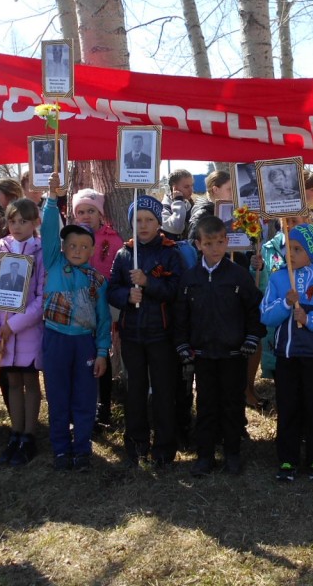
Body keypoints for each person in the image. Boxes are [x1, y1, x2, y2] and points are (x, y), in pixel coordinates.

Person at [174, 216, 264, 476]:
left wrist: (251, 337)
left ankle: (232, 453)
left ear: (227, 242)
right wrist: (182, 343)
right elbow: (181, 314)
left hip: (234, 353)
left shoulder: (238, 275)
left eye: (220, 242)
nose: (215, 248)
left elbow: (253, 309)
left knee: (232, 403)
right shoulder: (190, 278)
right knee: (206, 404)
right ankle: (205, 455)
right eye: (209, 243)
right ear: (198, 244)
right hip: (203, 353)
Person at [260, 223, 313, 481]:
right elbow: (266, 316)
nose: (291, 254)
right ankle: (287, 459)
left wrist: (309, 319)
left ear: (311, 252)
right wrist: (285, 303)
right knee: (288, 406)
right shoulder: (278, 278)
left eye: (298, 249)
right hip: (287, 355)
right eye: (288, 248)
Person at [108, 194, 184, 467]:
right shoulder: (124, 254)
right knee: (135, 390)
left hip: (161, 334)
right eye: (138, 220)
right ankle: (136, 442)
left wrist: (148, 283)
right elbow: (112, 289)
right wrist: (126, 296)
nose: (143, 225)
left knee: (163, 390)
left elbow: (176, 290)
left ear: (158, 223)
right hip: (132, 334)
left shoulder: (170, 253)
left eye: (149, 220)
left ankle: (164, 446)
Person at [0, 198, 45, 466]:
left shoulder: (41, 252)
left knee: (30, 382)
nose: (17, 226)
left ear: (35, 223)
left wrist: (14, 325)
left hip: (28, 334)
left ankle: (29, 436)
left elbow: (42, 299)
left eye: (23, 221)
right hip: (2, 335)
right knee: (12, 383)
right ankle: (15, 433)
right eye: (12, 221)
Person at [71, 187, 124, 429]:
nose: (86, 216)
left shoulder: (112, 239)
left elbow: (117, 272)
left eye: (91, 211)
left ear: (100, 214)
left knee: (102, 353)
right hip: (78, 309)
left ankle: (104, 405)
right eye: (81, 212)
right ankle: (84, 405)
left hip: (104, 306)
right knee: (82, 356)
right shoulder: (70, 239)